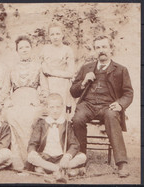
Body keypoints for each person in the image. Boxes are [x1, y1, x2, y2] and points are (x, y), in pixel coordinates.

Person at [70, 35, 133, 178]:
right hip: (88, 105)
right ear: (94, 50)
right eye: (98, 47)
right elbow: (73, 92)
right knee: (77, 118)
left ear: (111, 49)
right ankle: (80, 159)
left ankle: (122, 163)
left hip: (108, 106)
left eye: (104, 47)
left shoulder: (121, 70)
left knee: (112, 116)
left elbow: (128, 93)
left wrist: (120, 104)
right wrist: (84, 82)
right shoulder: (86, 68)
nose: (101, 50)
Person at [1, 35, 49, 170]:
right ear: (17, 51)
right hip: (16, 99)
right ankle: (17, 160)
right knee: (11, 116)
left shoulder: (38, 67)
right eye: (21, 48)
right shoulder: (11, 68)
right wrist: (7, 101)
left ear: (31, 49)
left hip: (33, 99)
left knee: (31, 118)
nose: (24, 50)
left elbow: (45, 89)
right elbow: (5, 90)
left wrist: (40, 101)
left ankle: (32, 159)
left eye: (27, 47)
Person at [27, 93, 86, 179]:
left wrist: (67, 157)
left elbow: (74, 144)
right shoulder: (41, 124)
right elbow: (32, 143)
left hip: (62, 158)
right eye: (52, 107)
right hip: (45, 157)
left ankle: (50, 169)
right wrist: (33, 152)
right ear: (47, 108)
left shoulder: (66, 124)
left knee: (82, 156)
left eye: (58, 107)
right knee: (31, 157)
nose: (55, 110)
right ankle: (61, 170)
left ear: (62, 107)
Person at [40, 23, 75, 116]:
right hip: (47, 82)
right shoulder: (45, 49)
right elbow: (42, 68)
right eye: (52, 34)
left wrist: (52, 72)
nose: (55, 37)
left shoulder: (67, 50)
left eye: (58, 34)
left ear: (62, 34)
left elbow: (70, 73)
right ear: (49, 36)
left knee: (61, 106)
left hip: (63, 82)